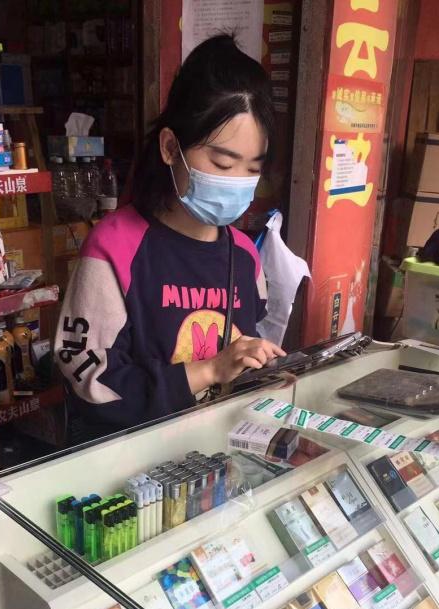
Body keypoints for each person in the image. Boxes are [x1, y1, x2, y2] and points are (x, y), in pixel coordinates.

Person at [55, 34, 285, 437]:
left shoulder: (245, 255)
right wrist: (209, 370)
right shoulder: (115, 247)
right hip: (132, 463)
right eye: (222, 163)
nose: (237, 181)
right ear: (169, 148)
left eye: (252, 168)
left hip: (215, 456)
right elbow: (92, 383)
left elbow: (246, 358)